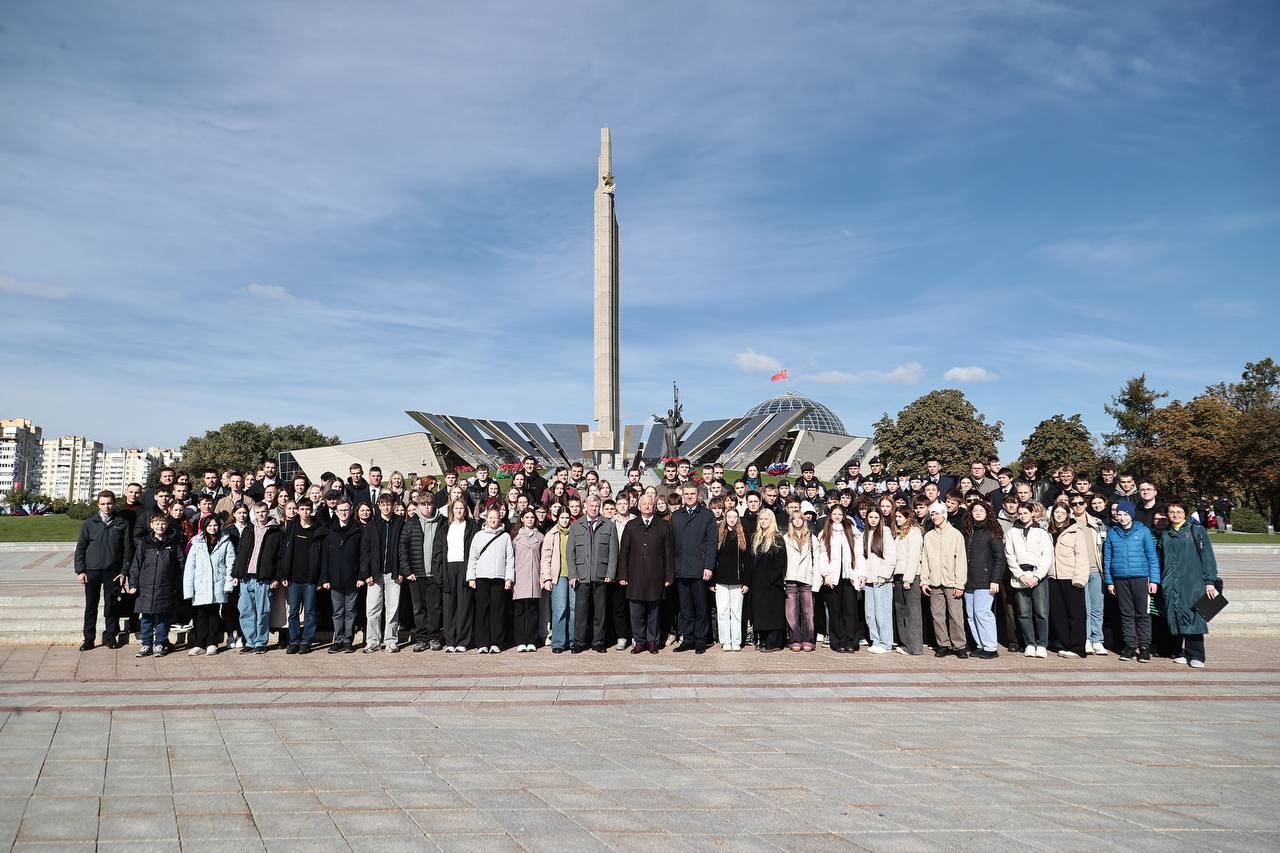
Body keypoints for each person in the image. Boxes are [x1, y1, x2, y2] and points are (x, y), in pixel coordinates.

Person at [1157, 500, 1219, 668]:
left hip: (1192, 582)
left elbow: (1207, 556)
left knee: (1194, 617)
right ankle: (1179, 651)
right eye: (1172, 512)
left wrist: (1209, 581)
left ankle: (1197, 655)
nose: (1175, 515)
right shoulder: (1165, 533)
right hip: (1170, 581)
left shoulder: (1196, 530)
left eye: (1179, 512)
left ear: (1185, 513)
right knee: (1174, 615)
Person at [74, 490, 134, 651]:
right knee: (91, 606)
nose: (106, 506)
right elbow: (81, 548)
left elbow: (127, 550)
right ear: (98, 505)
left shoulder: (122, 523)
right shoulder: (89, 524)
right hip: (92, 570)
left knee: (111, 606)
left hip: (113, 571)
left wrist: (124, 572)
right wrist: (80, 570)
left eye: (109, 503)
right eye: (103, 503)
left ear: (114, 503)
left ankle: (111, 637)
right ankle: (89, 639)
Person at [1104, 500, 1160, 663]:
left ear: (1131, 515)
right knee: (1126, 614)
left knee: (1143, 614)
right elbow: (1107, 558)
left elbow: (1152, 557)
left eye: (1125, 514)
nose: (1121, 517)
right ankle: (1129, 645)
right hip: (1120, 578)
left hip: (1141, 578)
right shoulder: (1113, 533)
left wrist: (1154, 580)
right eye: (1119, 514)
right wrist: (1109, 581)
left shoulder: (1143, 531)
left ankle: (1144, 647)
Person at [127, 513, 182, 658]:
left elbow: (180, 565)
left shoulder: (173, 543)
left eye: (163, 523)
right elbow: (136, 565)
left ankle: (161, 643)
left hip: (165, 586)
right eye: (157, 523)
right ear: (151, 525)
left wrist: (179, 584)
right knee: (146, 618)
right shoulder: (144, 543)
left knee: (163, 617)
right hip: (146, 587)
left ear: (167, 525)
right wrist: (133, 583)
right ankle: (146, 643)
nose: (160, 526)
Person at [569, 496, 619, 653]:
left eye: (597, 506)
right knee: (581, 611)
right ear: (586, 506)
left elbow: (613, 552)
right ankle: (579, 642)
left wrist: (611, 572)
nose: (594, 508)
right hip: (582, 575)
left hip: (601, 574)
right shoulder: (576, 526)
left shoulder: (609, 525)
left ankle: (599, 642)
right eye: (591, 506)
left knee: (601, 611)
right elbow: (570, 553)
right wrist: (573, 574)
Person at [671, 483, 717, 654]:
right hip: (681, 569)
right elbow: (672, 543)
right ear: (682, 495)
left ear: (699, 495)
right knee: (685, 608)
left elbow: (712, 543)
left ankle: (700, 639)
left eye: (692, 493)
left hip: (699, 569)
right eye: (686, 493)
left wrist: (708, 566)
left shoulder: (707, 515)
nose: (689, 496)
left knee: (700, 607)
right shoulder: (676, 516)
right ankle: (687, 639)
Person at [398, 494, 447, 653]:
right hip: (416, 574)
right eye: (423, 504)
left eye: (429, 504)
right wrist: (407, 570)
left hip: (434, 573)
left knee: (434, 607)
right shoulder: (411, 524)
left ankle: (433, 636)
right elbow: (403, 549)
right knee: (419, 608)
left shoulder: (442, 522)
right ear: (418, 506)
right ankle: (421, 638)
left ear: (433, 505)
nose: (426, 507)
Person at [231, 503, 282, 654]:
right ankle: (250, 641)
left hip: (264, 579)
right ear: (255, 513)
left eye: (263, 512)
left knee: (263, 612)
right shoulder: (248, 529)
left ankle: (260, 642)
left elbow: (280, 558)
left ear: (268, 512)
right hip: (246, 578)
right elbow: (240, 552)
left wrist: (276, 578)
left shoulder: (276, 532)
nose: (261, 514)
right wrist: (236, 573)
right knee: (246, 611)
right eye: (258, 512)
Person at [1005, 502, 1053, 658]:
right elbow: (1010, 556)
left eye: (1026, 513)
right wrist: (1020, 575)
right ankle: (1030, 643)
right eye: (1020, 513)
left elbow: (1047, 556)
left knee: (1041, 612)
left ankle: (1042, 644)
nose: (1022, 516)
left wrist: (1037, 576)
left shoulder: (1042, 533)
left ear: (1033, 513)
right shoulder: (1012, 532)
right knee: (1024, 613)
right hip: (1020, 576)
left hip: (1038, 576)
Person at [182, 514, 234, 656]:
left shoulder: (225, 541)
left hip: (218, 583)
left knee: (214, 614)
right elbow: (190, 567)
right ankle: (200, 644)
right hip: (200, 584)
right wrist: (188, 589)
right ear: (205, 527)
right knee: (200, 615)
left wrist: (228, 584)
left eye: (215, 525)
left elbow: (230, 563)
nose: (213, 528)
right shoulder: (197, 543)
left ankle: (212, 643)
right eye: (210, 525)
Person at [921, 502, 967, 658]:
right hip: (935, 582)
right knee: (937, 615)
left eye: (937, 514)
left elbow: (961, 561)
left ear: (944, 515)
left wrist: (960, 584)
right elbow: (925, 559)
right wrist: (924, 580)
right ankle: (943, 644)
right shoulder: (928, 536)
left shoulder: (955, 535)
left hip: (951, 582)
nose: (934, 517)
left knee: (956, 615)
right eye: (932, 514)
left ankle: (959, 645)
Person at [466, 506, 515, 654]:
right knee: (482, 611)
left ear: (500, 519)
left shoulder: (505, 536)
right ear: (485, 519)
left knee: (497, 611)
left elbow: (510, 558)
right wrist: (471, 577)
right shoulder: (478, 536)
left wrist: (509, 578)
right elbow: (472, 558)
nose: (493, 520)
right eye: (491, 517)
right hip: (481, 578)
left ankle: (496, 642)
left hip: (499, 578)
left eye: (496, 517)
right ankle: (482, 642)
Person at [277, 497, 323, 654]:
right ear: (297, 510)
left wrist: (320, 578)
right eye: (302, 509)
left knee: (310, 611)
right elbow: (285, 552)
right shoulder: (291, 527)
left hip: (310, 578)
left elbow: (322, 555)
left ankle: (306, 641)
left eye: (308, 509)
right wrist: (284, 575)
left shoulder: (317, 528)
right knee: (293, 611)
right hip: (293, 578)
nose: (305, 512)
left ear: (312, 510)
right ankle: (294, 640)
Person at [361, 493, 404, 653]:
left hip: (393, 572)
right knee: (372, 609)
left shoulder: (399, 522)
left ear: (393, 506)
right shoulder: (372, 524)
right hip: (375, 573)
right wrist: (366, 573)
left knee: (392, 608)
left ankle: (391, 640)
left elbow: (401, 548)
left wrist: (400, 570)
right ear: (378, 506)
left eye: (389, 504)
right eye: (383, 504)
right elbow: (365, 550)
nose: (386, 507)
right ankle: (372, 640)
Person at [963, 501, 1006, 659]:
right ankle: (980, 645)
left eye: (982, 510)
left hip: (986, 580)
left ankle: (990, 647)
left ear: (987, 513)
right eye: (975, 510)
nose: (978, 513)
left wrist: (995, 580)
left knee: (983, 613)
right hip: (968, 580)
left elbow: (999, 558)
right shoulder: (968, 531)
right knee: (971, 615)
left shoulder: (992, 532)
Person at [319, 500, 363, 654]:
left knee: (351, 611)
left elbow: (362, 555)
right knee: (337, 612)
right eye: (340, 510)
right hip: (335, 579)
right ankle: (338, 640)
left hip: (352, 579)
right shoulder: (331, 532)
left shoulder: (357, 529)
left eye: (346, 510)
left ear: (351, 511)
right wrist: (324, 579)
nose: (344, 513)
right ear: (336, 512)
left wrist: (361, 576)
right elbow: (325, 557)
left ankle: (348, 640)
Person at [1046, 504, 1090, 658]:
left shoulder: (1075, 531)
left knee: (1076, 614)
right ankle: (1065, 644)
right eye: (1056, 512)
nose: (1059, 515)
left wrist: (1080, 578)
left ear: (1068, 515)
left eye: (1062, 512)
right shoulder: (1047, 531)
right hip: (1053, 577)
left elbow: (1082, 556)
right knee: (1058, 614)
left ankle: (1078, 647)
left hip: (1071, 577)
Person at [1069, 494, 1108, 654]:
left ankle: (1097, 639)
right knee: (1084, 608)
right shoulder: (1068, 523)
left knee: (1097, 607)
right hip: (1078, 570)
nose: (1077, 506)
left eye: (1080, 503)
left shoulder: (1096, 523)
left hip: (1096, 569)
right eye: (1074, 503)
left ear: (1086, 504)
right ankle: (1085, 638)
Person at [818, 505, 859, 653]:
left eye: (839, 514)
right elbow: (823, 555)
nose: (837, 516)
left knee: (850, 610)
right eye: (834, 513)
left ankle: (851, 640)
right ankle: (837, 641)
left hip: (848, 576)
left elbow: (858, 553)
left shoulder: (851, 530)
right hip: (833, 577)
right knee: (835, 610)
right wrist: (826, 574)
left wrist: (860, 574)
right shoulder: (825, 532)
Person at [440, 498, 478, 652]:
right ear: (452, 510)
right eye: (456, 508)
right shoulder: (445, 527)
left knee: (464, 605)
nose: (459, 511)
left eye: (461, 508)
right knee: (449, 606)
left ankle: (462, 641)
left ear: (465, 510)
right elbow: (439, 551)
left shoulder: (471, 527)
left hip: (465, 566)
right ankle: (450, 641)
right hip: (448, 567)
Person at [711, 507, 750, 651]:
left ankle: (736, 641)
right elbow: (713, 558)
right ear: (725, 518)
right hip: (721, 579)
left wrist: (746, 582)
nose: (732, 519)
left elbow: (747, 560)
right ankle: (725, 640)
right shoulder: (719, 534)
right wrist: (712, 580)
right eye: (729, 517)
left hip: (737, 579)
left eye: (735, 517)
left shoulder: (742, 535)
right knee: (722, 611)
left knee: (736, 612)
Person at [860, 507, 897, 654]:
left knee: (882, 613)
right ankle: (875, 640)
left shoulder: (885, 534)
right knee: (870, 613)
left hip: (882, 580)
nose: (873, 520)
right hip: (869, 580)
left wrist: (884, 574)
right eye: (871, 517)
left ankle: (885, 642)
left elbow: (891, 556)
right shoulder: (864, 534)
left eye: (876, 517)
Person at [783, 510, 821, 652]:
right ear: (791, 521)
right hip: (791, 579)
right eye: (795, 519)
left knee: (808, 612)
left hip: (807, 579)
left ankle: (808, 639)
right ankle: (794, 639)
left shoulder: (812, 538)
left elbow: (817, 560)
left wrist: (817, 580)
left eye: (800, 518)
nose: (798, 521)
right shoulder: (786, 538)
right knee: (791, 612)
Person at [540, 507, 576, 653]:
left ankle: (573, 641)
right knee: (560, 608)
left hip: (574, 575)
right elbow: (546, 557)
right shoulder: (551, 534)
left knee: (574, 609)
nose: (565, 520)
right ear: (558, 518)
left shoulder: (575, 532)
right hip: (558, 575)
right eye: (562, 518)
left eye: (567, 518)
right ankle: (558, 642)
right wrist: (546, 578)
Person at [510, 509, 544, 652]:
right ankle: (520, 640)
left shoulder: (541, 537)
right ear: (522, 519)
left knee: (532, 610)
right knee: (519, 611)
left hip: (534, 576)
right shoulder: (516, 538)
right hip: (520, 578)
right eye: (527, 517)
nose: (530, 519)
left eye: (532, 517)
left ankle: (531, 640)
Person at [892, 507, 924, 656]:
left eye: (900, 516)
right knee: (901, 611)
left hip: (909, 577)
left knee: (912, 612)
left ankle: (915, 646)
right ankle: (905, 643)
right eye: (896, 516)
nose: (897, 519)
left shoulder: (914, 533)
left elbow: (913, 557)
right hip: (899, 576)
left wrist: (908, 579)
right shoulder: (900, 534)